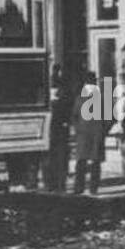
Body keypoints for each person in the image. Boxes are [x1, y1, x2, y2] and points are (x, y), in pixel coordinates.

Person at [72, 74, 107, 196]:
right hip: (93, 134)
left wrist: (78, 130)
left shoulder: (81, 99)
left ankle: (81, 188)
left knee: (86, 162)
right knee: (90, 163)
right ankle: (90, 188)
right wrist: (103, 130)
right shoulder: (100, 99)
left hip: (88, 134)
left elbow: (74, 117)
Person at [45, 64, 78, 193]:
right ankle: (59, 184)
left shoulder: (48, 97)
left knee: (50, 159)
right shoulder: (64, 96)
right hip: (60, 130)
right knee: (61, 158)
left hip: (51, 131)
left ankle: (51, 184)